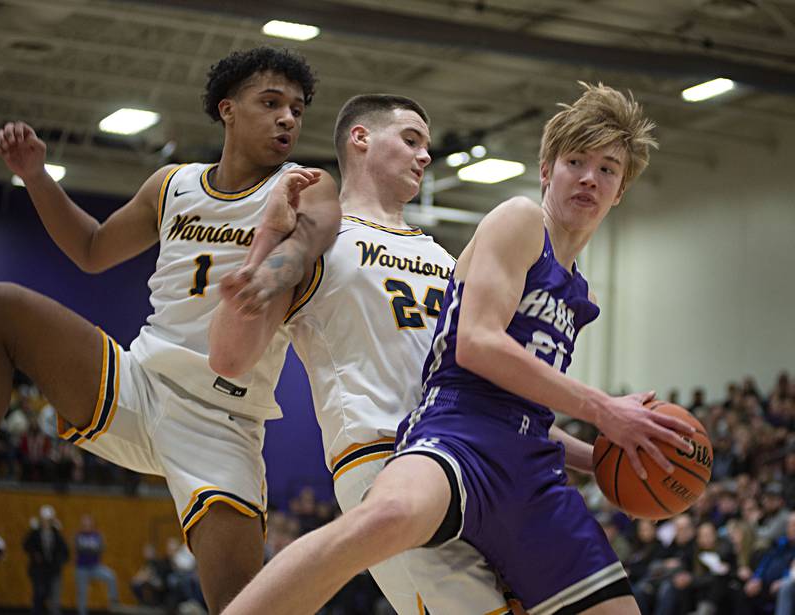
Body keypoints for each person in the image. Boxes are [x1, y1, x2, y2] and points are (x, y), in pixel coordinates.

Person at [221, 83, 698, 615]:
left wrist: (604, 459)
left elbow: (511, 394)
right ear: (547, 169)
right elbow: (475, 349)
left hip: (521, 461)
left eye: (607, 169)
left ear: (621, 189)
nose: (590, 177)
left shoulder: (464, 262)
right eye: (576, 161)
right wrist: (605, 409)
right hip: (423, 444)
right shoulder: (331, 236)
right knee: (379, 523)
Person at [0, 45, 340, 612]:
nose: (288, 118)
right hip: (138, 383)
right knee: (4, 306)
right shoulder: (171, 184)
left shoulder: (304, 183)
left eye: (297, 110)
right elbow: (90, 248)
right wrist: (35, 177)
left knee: (237, 605)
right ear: (227, 109)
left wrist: (270, 269)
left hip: (222, 422)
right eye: (271, 102)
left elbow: (311, 239)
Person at [211, 93, 520, 613]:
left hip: (468, 464)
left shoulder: (444, 257)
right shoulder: (315, 241)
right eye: (411, 140)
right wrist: (266, 234)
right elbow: (229, 358)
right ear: (361, 138)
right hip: (383, 460)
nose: (425, 156)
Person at [23, 505, 69, 615]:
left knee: (55, 599)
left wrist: (59, 561)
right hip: (38, 570)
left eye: (48, 520)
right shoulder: (35, 533)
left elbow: (65, 551)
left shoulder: (56, 533)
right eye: (44, 520)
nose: (46, 523)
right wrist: (34, 554)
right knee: (39, 595)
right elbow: (26, 545)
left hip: (53, 570)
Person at [73, 514, 119, 615]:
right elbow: (79, 549)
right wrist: (92, 549)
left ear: (92, 524)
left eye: (88, 524)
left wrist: (90, 549)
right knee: (82, 593)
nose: (86, 526)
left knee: (111, 576)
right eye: (84, 524)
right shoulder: (78, 536)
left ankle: (114, 601)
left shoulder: (97, 535)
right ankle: (82, 612)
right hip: (81, 568)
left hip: (95, 567)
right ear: (82, 525)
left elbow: (101, 549)